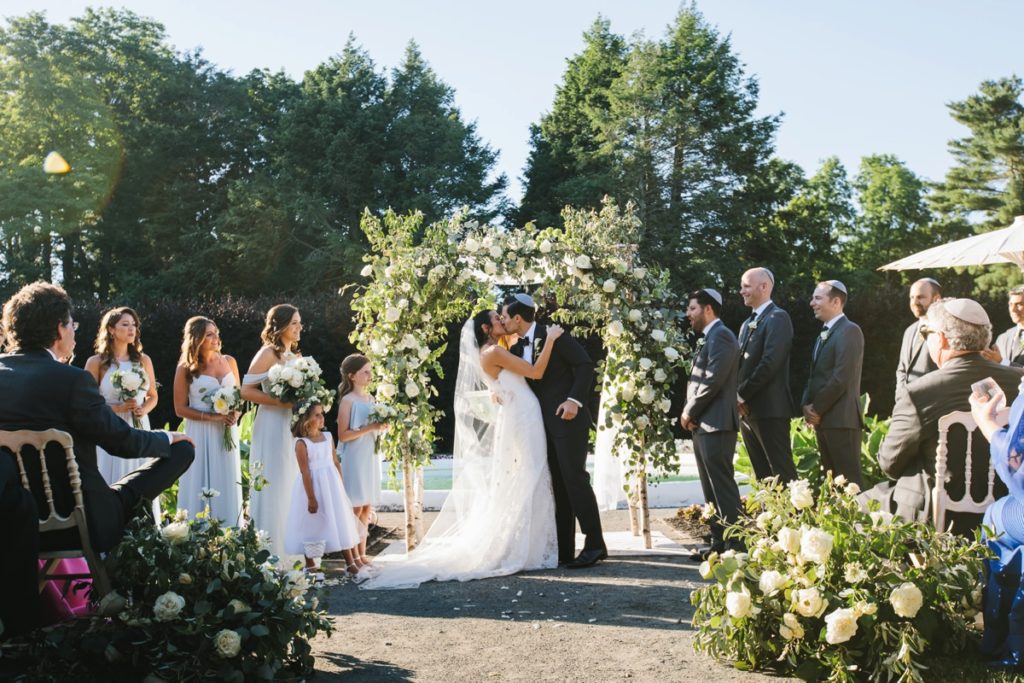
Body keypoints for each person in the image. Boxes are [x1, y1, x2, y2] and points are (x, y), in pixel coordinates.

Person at [361, 310, 563, 589]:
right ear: (485, 328)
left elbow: (504, 377)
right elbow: (536, 372)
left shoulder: (493, 350)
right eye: (496, 319)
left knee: (529, 473)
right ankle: (522, 548)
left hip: (519, 412)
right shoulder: (493, 352)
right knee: (531, 472)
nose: (502, 320)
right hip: (523, 415)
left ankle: (527, 545)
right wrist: (551, 339)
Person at [0, 282, 194, 554]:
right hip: (81, 523)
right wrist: (167, 437)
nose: (73, 333)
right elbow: (122, 441)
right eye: (72, 325)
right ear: (59, 329)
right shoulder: (72, 380)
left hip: (13, 521)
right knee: (183, 450)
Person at [861, 298, 1022, 531]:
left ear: (943, 339)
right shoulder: (1020, 382)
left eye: (926, 333)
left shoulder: (919, 392)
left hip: (932, 515)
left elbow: (890, 464)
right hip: (1006, 510)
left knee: (858, 507)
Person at [502, 294, 607, 568]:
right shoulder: (514, 350)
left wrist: (574, 400)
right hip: (539, 427)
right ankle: (564, 549)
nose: (502, 320)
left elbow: (584, 365)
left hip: (567, 420)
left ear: (517, 318)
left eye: (505, 316)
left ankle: (595, 544)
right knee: (556, 485)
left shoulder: (555, 336)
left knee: (575, 479)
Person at [681, 288, 743, 560]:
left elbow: (712, 381)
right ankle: (719, 543)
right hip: (704, 424)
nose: (688, 314)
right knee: (710, 489)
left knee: (722, 487)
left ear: (708, 309)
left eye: (692, 309)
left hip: (717, 423)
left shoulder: (722, 336)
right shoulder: (711, 338)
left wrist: (689, 411)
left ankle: (737, 545)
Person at [241, 304, 302, 558]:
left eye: (300, 323)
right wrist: (280, 402)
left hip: (291, 425)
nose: (299, 328)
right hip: (271, 424)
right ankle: (270, 552)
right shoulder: (268, 353)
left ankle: (294, 554)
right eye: (295, 323)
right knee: (273, 482)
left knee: (291, 481)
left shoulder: (297, 358)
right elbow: (245, 390)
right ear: (281, 326)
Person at [173, 316, 243, 524]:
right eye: (209, 334)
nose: (216, 338)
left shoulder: (229, 361)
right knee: (198, 480)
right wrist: (213, 417)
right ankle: (196, 531)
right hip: (200, 432)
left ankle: (229, 529)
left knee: (227, 479)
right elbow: (179, 409)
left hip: (226, 430)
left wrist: (235, 414)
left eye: (216, 333)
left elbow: (238, 396)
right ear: (196, 339)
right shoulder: (185, 369)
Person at [284, 402, 366, 579]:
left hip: (331, 486)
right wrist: (311, 498)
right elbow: (305, 471)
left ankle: (350, 563)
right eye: (317, 415)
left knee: (340, 520)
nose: (322, 418)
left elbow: (335, 462)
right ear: (306, 420)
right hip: (312, 487)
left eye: (322, 414)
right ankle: (311, 565)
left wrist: (340, 485)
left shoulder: (328, 437)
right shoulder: (301, 443)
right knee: (311, 524)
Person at [84, 307, 159, 484]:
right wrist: (118, 408)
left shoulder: (143, 360)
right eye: (125, 324)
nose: (131, 329)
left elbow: (152, 395)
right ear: (111, 329)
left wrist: (143, 409)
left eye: (134, 325)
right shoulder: (96, 363)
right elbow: (87, 403)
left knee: (140, 479)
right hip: (109, 426)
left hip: (139, 426)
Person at [801, 280, 865, 486]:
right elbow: (814, 376)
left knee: (850, 483)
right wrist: (806, 405)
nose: (812, 303)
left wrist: (816, 409)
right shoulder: (824, 333)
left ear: (836, 301)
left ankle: (859, 519)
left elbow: (841, 378)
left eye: (817, 298)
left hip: (841, 420)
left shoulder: (850, 330)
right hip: (824, 420)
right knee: (833, 484)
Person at [736, 268, 797, 483]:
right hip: (747, 412)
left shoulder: (778, 317)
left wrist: (741, 395)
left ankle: (794, 516)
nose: (741, 291)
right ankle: (771, 516)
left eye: (746, 286)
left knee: (782, 471)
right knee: (763, 476)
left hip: (770, 410)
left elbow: (770, 362)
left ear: (763, 287)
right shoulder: (745, 325)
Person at [336, 354, 387, 567]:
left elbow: (373, 428)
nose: (370, 375)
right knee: (354, 506)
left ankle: (363, 554)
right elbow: (343, 435)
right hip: (354, 457)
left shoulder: (371, 399)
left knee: (366, 506)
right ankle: (353, 557)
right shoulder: (348, 401)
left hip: (369, 455)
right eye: (365, 371)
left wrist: (383, 427)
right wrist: (371, 428)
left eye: (370, 370)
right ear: (352, 376)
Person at [895, 278, 942, 398]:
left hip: (934, 403)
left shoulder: (944, 329)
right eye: (912, 297)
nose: (914, 302)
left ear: (936, 299)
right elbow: (902, 369)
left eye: (920, 297)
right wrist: (900, 394)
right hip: (907, 404)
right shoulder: (909, 331)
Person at [990, 285, 1024, 367]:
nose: (1012, 309)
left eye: (1019, 304)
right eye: (1010, 304)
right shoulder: (1002, 338)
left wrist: (1002, 361)